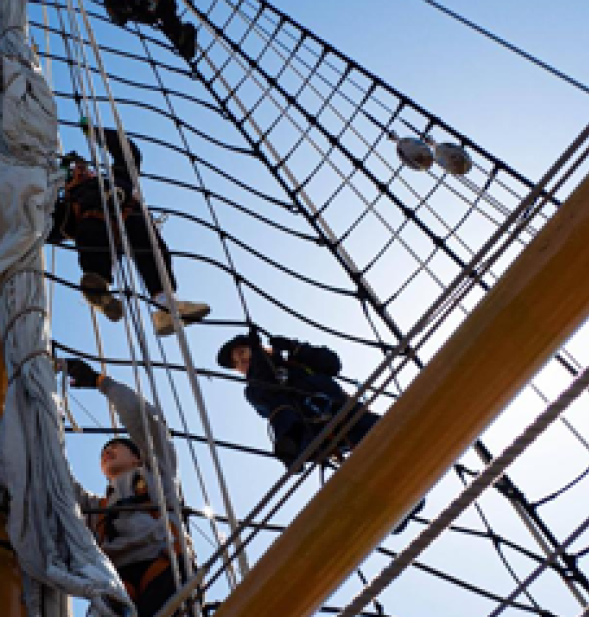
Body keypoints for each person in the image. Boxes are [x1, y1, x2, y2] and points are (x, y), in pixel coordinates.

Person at [63, 357, 201, 617]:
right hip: (114, 582)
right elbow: (59, 482)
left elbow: (147, 422)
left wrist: (100, 382)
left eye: (116, 447)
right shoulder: (96, 507)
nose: (108, 451)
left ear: (138, 457)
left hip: (164, 567)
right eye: (104, 451)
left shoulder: (157, 475)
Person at [47, 119, 210, 335]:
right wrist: (52, 183)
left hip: (130, 216)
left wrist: (97, 133)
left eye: (85, 169)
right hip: (93, 226)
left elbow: (129, 153)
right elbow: (41, 225)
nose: (83, 171)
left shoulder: (116, 179)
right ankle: (98, 288)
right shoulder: (67, 204)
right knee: (91, 233)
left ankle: (165, 306)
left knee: (151, 245)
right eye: (76, 172)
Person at [216, 332, 380, 473]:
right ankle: (291, 446)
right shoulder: (253, 390)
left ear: (256, 347)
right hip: (311, 435)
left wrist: (295, 347)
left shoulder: (296, 362)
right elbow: (265, 395)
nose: (241, 363)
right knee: (280, 407)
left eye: (242, 353)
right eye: (236, 364)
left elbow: (332, 364)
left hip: (347, 414)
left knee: (383, 429)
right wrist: (259, 360)